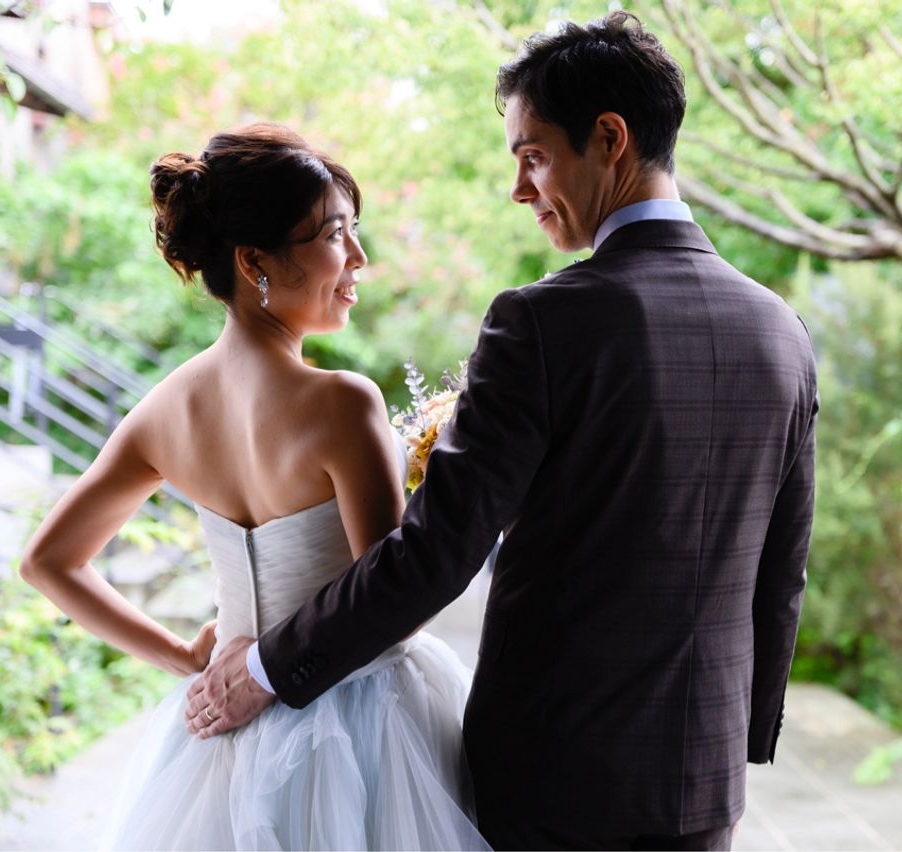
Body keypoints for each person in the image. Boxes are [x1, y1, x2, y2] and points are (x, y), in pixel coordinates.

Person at [191, 12, 818, 850]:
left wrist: (267, 669)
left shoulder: (543, 323)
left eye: (533, 157)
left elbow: (433, 555)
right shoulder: (781, 332)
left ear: (610, 139)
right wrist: (739, 735)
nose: (520, 189)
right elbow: (781, 573)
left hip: (552, 779)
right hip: (702, 783)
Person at [19, 123, 488, 850]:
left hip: (219, 738)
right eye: (335, 234)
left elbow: (48, 562)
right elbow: (394, 610)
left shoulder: (164, 410)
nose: (359, 257)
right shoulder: (343, 403)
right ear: (254, 261)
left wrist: (186, 660)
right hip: (365, 723)